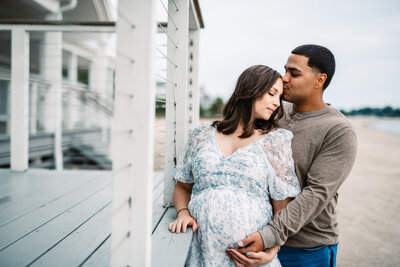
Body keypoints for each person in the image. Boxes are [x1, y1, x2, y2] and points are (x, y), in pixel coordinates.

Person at [228, 45, 358, 267]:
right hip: (253, 236)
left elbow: (316, 194)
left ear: (320, 80)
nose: (284, 78)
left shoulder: (338, 130)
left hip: (305, 249)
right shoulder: (276, 111)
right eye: (285, 70)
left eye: (294, 73)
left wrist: (270, 237)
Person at [168, 65, 301, 266]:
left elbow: (282, 208)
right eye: (272, 94)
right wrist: (183, 213)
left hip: (249, 259)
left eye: (279, 97)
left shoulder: (274, 142)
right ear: (250, 89)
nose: (276, 103)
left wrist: (271, 251)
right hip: (202, 252)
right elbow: (183, 186)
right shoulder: (202, 134)